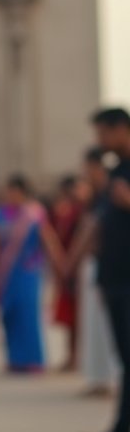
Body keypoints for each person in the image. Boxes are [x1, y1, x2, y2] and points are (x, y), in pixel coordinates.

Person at [78, 108, 130, 432]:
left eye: (103, 133)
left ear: (120, 129)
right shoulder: (117, 171)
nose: (100, 142)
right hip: (115, 278)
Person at [0, 175, 64, 373]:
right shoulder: (0, 214)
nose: (8, 195)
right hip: (6, 273)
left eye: (12, 191)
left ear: (21, 192)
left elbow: (48, 239)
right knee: (9, 313)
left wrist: (60, 265)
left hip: (28, 271)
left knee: (28, 315)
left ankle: (33, 359)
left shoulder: (34, 213)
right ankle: (15, 358)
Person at [76, 147, 120, 395]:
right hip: (96, 266)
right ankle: (98, 379)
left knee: (108, 327)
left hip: (113, 266)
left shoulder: (115, 193)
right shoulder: (98, 197)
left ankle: (110, 380)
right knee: (94, 326)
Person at [46, 175, 88, 371]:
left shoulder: (83, 212)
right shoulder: (64, 213)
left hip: (79, 267)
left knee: (80, 316)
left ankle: (78, 357)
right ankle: (71, 356)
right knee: (70, 316)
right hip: (67, 269)